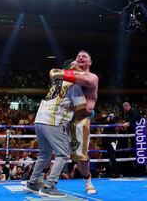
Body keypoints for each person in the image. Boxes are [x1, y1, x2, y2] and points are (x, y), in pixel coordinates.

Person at [24, 62, 87, 198]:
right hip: (53, 121)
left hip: (40, 119)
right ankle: (49, 186)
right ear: (72, 67)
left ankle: (32, 183)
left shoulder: (57, 82)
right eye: (78, 67)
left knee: (44, 154)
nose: (81, 70)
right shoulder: (73, 83)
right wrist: (92, 113)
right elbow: (81, 109)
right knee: (63, 154)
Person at [51, 50, 99, 194]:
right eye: (78, 56)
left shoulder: (93, 77)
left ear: (90, 62)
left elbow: (86, 81)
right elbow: (57, 85)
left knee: (81, 154)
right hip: (64, 116)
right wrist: (70, 71)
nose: (80, 58)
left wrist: (72, 71)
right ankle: (40, 179)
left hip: (81, 118)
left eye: (84, 56)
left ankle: (88, 182)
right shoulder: (71, 73)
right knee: (52, 150)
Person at [100, 113, 120, 178]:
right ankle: (108, 173)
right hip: (106, 142)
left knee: (112, 157)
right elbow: (102, 120)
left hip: (112, 142)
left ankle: (116, 173)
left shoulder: (113, 122)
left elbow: (114, 120)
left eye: (110, 117)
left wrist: (108, 117)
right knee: (105, 157)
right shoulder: (105, 124)